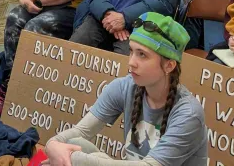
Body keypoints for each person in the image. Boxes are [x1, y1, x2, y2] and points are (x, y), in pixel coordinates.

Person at [46, 13, 207, 166]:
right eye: (131, 51)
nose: (131, 62)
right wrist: (52, 145)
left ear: (169, 65)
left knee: (74, 157)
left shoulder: (189, 113)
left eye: (142, 55)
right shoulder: (124, 87)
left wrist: (71, 159)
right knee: (71, 144)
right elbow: (80, 131)